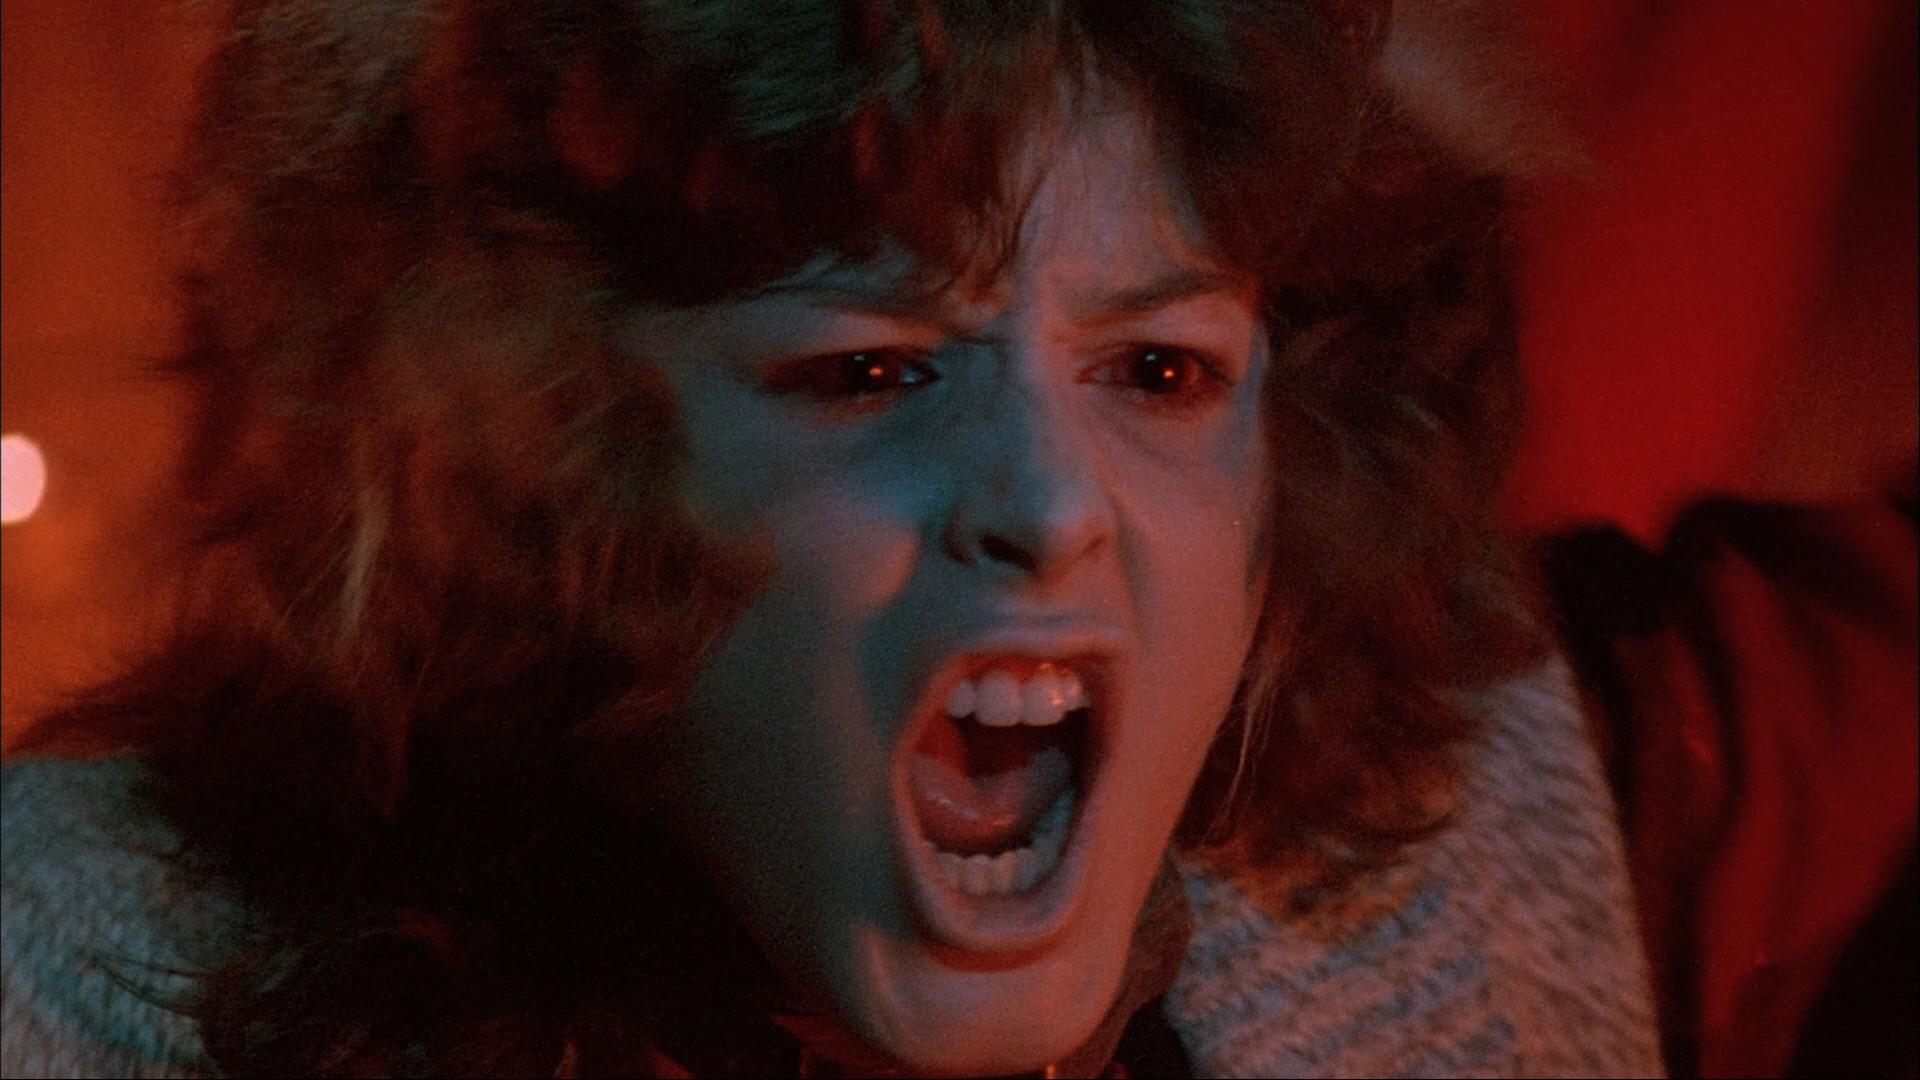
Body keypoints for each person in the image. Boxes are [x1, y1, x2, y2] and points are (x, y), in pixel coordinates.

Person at [1, 1, 1671, 1076]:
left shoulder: (1493, 803)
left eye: (1160, 372)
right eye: (871, 372)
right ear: (546, 470)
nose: (1052, 507)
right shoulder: (74, 961)